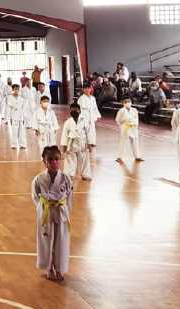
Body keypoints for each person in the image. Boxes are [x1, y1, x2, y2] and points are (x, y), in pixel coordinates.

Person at [32, 146, 73, 282]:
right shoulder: (38, 179)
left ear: (60, 160)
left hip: (61, 212)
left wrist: (66, 210)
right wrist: (42, 208)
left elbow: (69, 197)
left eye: (57, 159)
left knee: (61, 241)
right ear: (44, 161)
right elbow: (35, 196)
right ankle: (49, 268)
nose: (54, 162)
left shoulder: (66, 178)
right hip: (46, 212)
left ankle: (60, 268)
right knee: (46, 241)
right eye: (50, 160)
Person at [61, 102, 92, 181]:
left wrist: (90, 144)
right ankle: (69, 174)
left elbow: (89, 133)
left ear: (80, 111)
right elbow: (64, 135)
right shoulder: (67, 122)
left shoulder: (84, 121)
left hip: (82, 143)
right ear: (70, 111)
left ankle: (85, 174)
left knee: (84, 160)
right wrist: (63, 146)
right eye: (72, 110)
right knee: (70, 160)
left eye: (76, 110)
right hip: (71, 145)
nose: (74, 111)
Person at [115, 97, 143, 164]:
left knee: (135, 142)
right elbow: (117, 119)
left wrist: (136, 125)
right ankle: (119, 157)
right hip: (125, 127)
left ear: (131, 103)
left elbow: (137, 118)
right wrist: (121, 126)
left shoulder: (134, 110)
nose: (128, 103)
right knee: (123, 142)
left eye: (129, 102)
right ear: (123, 104)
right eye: (126, 102)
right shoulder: (121, 110)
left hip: (133, 127)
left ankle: (137, 156)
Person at [77, 83, 101, 154]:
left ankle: (92, 142)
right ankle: (85, 143)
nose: (87, 90)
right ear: (83, 90)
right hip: (84, 115)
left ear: (91, 89)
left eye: (89, 88)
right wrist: (79, 117)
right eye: (86, 88)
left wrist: (98, 115)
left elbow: (95, 108)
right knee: (84, 130)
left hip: (91, 115)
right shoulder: (81, 98)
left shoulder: (93, 98)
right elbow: (79, 109)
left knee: (92, 130)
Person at [7, 84, 27, 149]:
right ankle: (14, 144)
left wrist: (24, 117)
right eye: (15, 89)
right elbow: (9, 108)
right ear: (13, 90)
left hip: (20, 117)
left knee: (21, 132)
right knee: (14, 131)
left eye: (18, 89)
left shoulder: (21, 99)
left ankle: (22, 144)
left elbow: (23, 109)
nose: (16, 90)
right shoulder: (10, 97)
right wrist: (9, 118)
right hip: (14, 116)